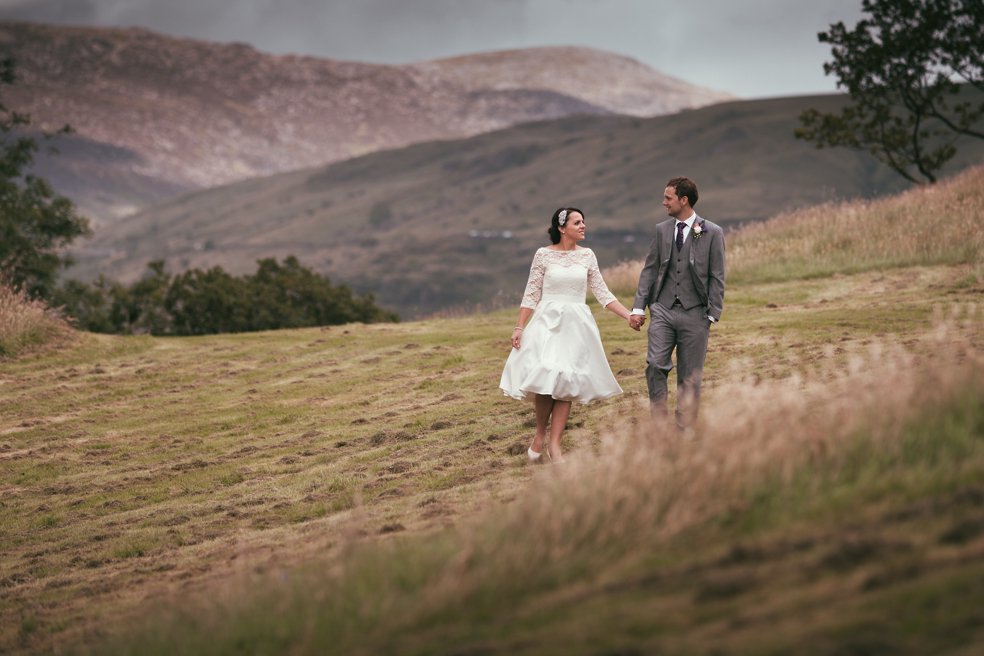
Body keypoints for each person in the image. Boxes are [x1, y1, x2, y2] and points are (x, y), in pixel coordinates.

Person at [500, 207, 636, 463]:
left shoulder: (587, 256)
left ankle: (555, 445)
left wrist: (628, 315)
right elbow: (531, 293)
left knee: (568, 380)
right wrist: (519, 326)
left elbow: (602, 293)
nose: (583, 225)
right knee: (546, 375)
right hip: (547, 322)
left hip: (576, 325)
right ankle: (539, 433)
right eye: (577, 222)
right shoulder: (543, 255)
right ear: (562, 228)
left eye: (584, 221)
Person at [628, 177, 725, 431]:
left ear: (684, 200)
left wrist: (712, 314)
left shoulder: (712, 232)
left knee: (690, 376)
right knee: (655, 365)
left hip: (696, 314)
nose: (664, 202)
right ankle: (660, 425)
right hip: (662, 309)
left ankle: (685, 429)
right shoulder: (661, 230)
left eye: (668, 198)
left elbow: (717, 275)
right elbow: (649, 270)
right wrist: (639, 306)